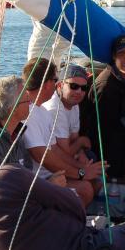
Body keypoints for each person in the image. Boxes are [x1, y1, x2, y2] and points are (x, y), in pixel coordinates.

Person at [22, 58, 103, 205]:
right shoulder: (29, 113)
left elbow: (55, 151)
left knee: (96, 183)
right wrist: (81, 173)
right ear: (47, 84)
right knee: (86, 189)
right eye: (55, 80)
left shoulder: (42, 111)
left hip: (52, 173)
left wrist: (82, 168)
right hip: (40, 178)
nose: (56, 85)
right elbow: (43, 157)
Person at [84, 35, 125, 178]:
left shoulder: (124, 78)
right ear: (113, 56)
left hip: (119, 138)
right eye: (122, 55)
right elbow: (103, 132)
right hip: (106, 152)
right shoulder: (106, 86)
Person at [41, 64, 91, 158]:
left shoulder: (73, 103)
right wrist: (82, 141)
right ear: (60, 85)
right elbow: (65, 153)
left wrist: (81, 154)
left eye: (84, 88)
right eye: (74, 86)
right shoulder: (55, 109)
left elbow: (74, 137)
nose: (79, 91)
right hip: (50, 162)